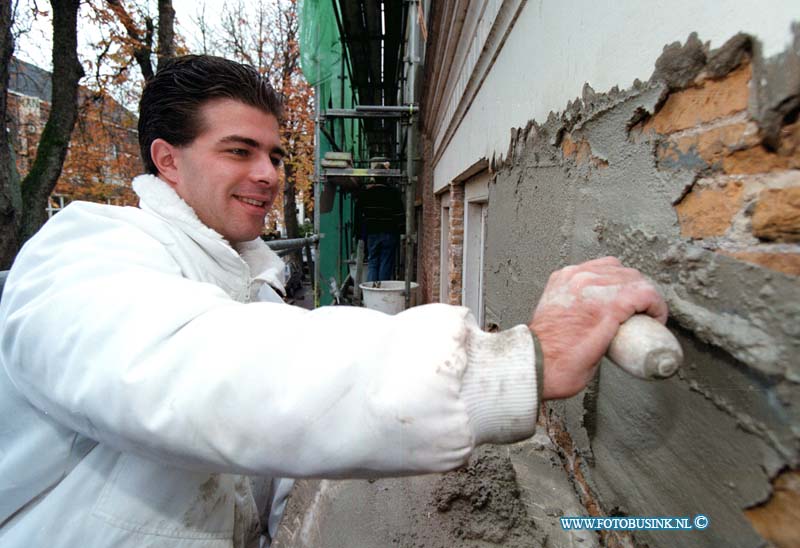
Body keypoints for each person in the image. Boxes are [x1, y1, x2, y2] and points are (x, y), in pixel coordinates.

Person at [0, 55, 667, 548]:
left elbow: (266, 442)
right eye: (239, 151)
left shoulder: (243, 279)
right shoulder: (83, 255)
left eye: (273, 153)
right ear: (168, 162)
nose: (267, 174)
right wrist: (512, 365)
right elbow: (201, 373)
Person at [355, 159, 405, 281]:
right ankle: (381, 293)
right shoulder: (393, 193)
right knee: (386, 262)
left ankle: (372, 292)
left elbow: (358, 215)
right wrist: (402, 230)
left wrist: (358, 234)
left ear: (374, 178)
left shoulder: (366, 194)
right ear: (387, 178)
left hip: (372, 232)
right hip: (390, 232)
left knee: (373, 261)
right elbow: (400, 214)